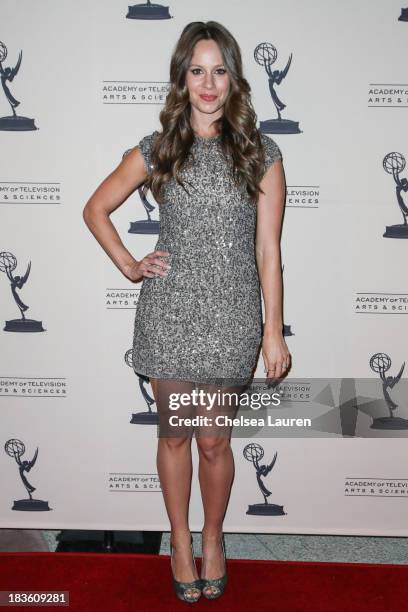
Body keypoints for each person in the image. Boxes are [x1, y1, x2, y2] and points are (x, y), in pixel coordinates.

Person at [83, 20, 290, 604]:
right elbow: (96, 207)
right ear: (182, 77)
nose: (208, 82)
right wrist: (128, 263)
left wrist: (273, 332)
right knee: (175, 435)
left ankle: (214, 536)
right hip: (169, 310)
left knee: (214, 442)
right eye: (197, 70)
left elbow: (269, 250)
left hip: (231, 313)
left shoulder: (261, 153)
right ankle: (178, 541)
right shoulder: (158, 148)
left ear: (233, 78)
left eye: (219, 70)